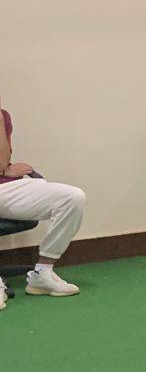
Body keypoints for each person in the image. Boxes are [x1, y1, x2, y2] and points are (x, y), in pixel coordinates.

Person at [0, 101, 87, 301]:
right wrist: (5, 169)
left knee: (72, 198)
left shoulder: (3, 116)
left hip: (6, 188)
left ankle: (42, 273)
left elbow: (2, 163)